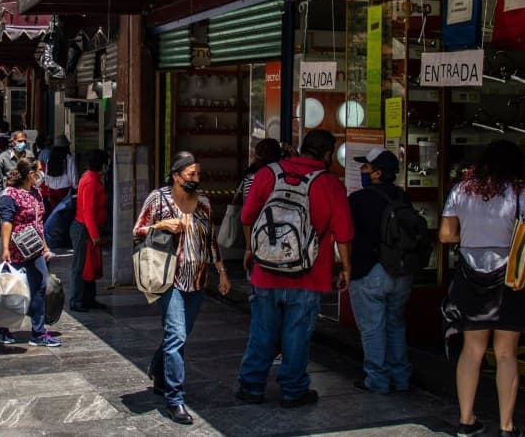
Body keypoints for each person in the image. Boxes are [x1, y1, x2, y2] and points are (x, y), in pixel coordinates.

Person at [236, 129, 353, 408]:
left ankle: (252, 387)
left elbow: (247, 216)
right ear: (327, 154)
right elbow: (344, 234)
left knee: (262, 331)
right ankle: (293, 390)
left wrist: (251, 249)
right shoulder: (330, 183)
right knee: (297, 335)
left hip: (266, 272)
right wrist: (347, 268)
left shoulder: (269, 173)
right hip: (308, 276)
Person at [439, 140, 525, 437]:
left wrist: (472, 236)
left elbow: (446, 235)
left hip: (470, 275)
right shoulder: (521, 191)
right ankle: (507, 427)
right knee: (506, 354)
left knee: (471, 351)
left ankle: (465, 421)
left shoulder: (461, 190)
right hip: (510, 278)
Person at [133, 151, 230, 425]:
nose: (196, 179)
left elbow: (211, 240)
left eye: (198, 174)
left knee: (180, 335)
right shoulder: (159, 199)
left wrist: (221, 272)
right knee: (176, 335)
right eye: (191, 174)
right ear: (176, 175)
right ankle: (174, 398)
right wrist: (161, 224)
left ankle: (157, 367)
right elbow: (138, 230)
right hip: (168, 279)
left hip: (197, 279)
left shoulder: (205, 204)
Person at [347, 148, 413, 394]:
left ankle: (377, 379)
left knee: (372, 328)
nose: (362, 170)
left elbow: (346, 235)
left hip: (370, 272)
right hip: (401, 272)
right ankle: (401, 377)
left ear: (377, 173)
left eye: (366, 167)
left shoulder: (359, 199)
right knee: (395, 324)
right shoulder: (402, 197)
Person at [0, 157, 60, 347]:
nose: (42, 174)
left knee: (39, 287)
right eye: (39, 170)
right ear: (31, 174)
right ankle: (2, 329)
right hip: (15, 249)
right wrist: (5, 249)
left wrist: (45, 247)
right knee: (12, 289)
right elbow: (7, 222)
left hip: (35, 249)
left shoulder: (36, 193)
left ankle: (38, 332)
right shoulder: (9, 195)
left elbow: (39, 224)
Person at [70, 149, 108, 312]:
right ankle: (76, 300)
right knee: (80, 266)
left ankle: (88, 298)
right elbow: (88, 211)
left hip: (87, 227)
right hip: (83, 228)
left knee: (89, 264)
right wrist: (94, 235)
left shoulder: (91, 178)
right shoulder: (91, 181)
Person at [43, 134, 77, 209]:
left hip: (52, 191)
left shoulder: (50, 159)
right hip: (65, 191)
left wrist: (48, 186)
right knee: (65, 213)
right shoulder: (69, 159)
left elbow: (46, 177)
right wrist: (75, 187)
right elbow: (74, 177)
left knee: (55, 213)